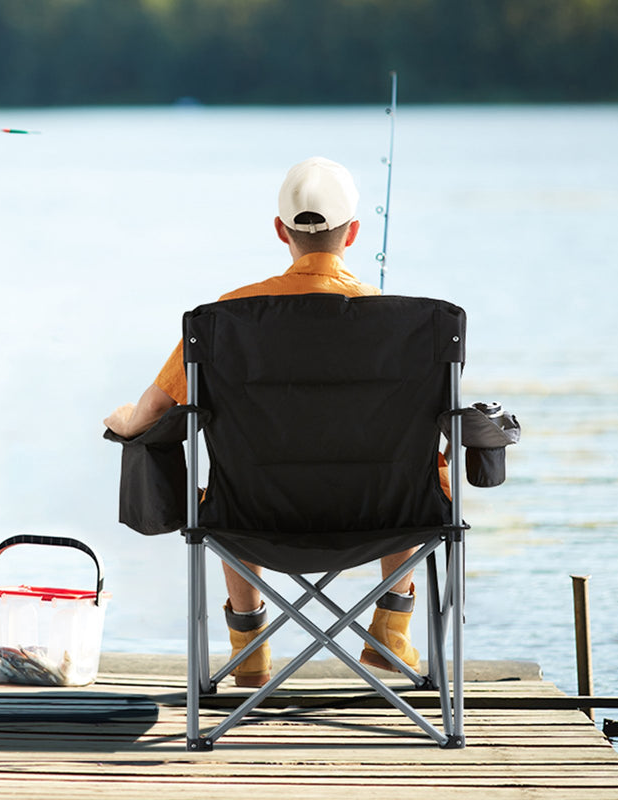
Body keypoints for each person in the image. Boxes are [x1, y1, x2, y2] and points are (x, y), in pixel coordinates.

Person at [104, 156, 449, 688]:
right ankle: (389, 628)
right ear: (354, 232)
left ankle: (250, 650)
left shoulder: (224, 320)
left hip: (252, 520)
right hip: (384, 519)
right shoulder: (407, 328)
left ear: (280, 230)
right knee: (410, 459)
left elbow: (151, 413)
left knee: (232, 481)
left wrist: (125, 420)